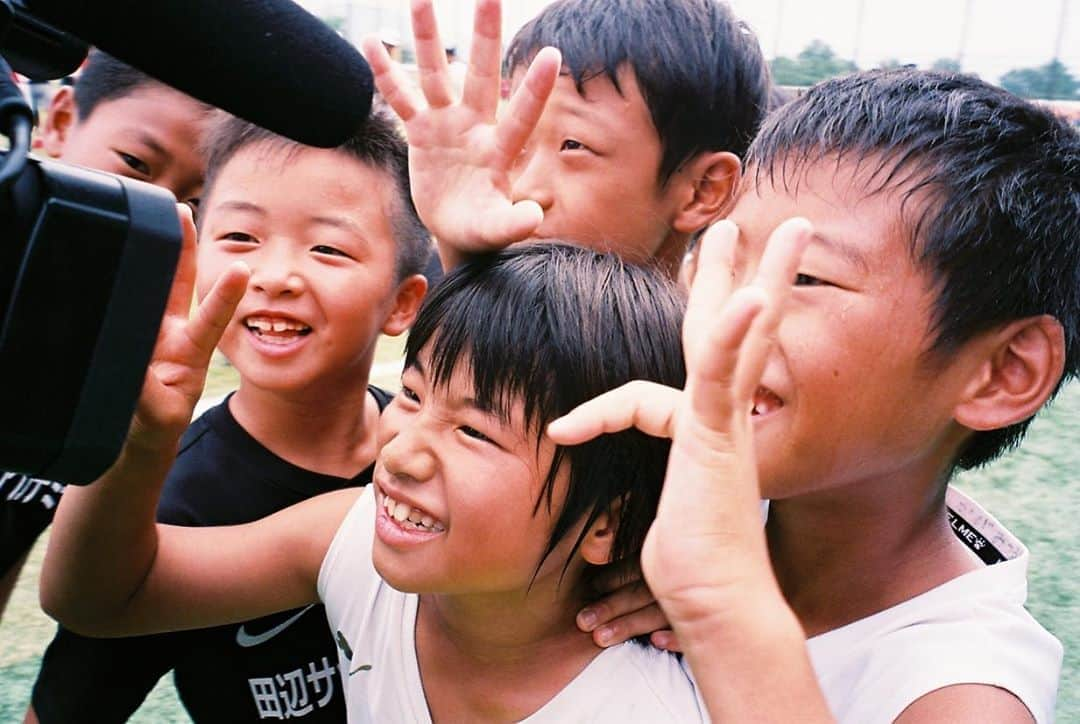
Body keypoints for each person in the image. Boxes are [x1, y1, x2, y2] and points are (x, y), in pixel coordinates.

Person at [549, 68, 1079, 722]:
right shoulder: (690, 480)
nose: (724, 314)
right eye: (720, 262)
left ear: (1003, 373)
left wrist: (723, 611)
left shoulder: (963, 693)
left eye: (802, 276)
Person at [39, 241, 707, 722]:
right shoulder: (352, 541)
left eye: (474, 431)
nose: (402, 451)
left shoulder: (648, 707)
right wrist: (139, 441)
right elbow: (102, 598)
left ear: (605, 525)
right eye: (412, 395)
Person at [28, 109, 430, 723]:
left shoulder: (424, 454)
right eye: (241, 238)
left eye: (328, 247)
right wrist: (139, 443)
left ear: (402, 301)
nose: (273, 277)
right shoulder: (154, 509)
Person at [0, 49, 209, 620]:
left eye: (194, 201)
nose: (160, 214)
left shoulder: (106, 352)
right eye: (137, 165)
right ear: (61, 118)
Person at [362, 0, 772, 279]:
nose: (523, 190)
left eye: (573, 145)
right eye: (519, 146)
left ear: (703, 190)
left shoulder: (704, 392)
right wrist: (457, 250)